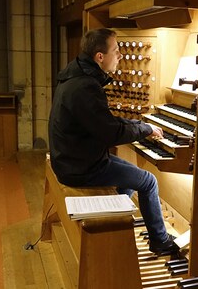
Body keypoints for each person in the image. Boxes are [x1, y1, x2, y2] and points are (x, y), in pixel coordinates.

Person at [48, 28, 178, 254]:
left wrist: (140, 126)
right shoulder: (86, 87)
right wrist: (144, 128)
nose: (120, 56)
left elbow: (105, 121)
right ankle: (160, 241)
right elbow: (111, 133)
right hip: (80, 168)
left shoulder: (75, 76)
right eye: (116, 51)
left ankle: (115, 222)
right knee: (148, 181)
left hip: (72, 158)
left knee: (130, 178)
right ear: (100, 57)